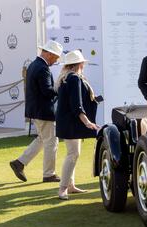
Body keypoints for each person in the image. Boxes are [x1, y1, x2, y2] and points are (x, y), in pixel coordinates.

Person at [10, 40, 63, 183]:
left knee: (42, 139)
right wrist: (61, 89)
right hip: (44, 111)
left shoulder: (34, 65)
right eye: (56, 57)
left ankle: (19, 163)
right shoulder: (42, 68)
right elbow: (47, 91)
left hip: (37, 111)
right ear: (49, 54)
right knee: (52, 141)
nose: (56, 60)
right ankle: (49, 174)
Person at [55, 50, 100, 200]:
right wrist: (87, 122)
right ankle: (63, 188)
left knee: (73, 153)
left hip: (69, 122)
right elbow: (76, 104)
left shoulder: (66, 78)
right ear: (80, 64)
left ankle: (70, 185)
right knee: (73, 154)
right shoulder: (73, 79)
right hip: (71, 123)